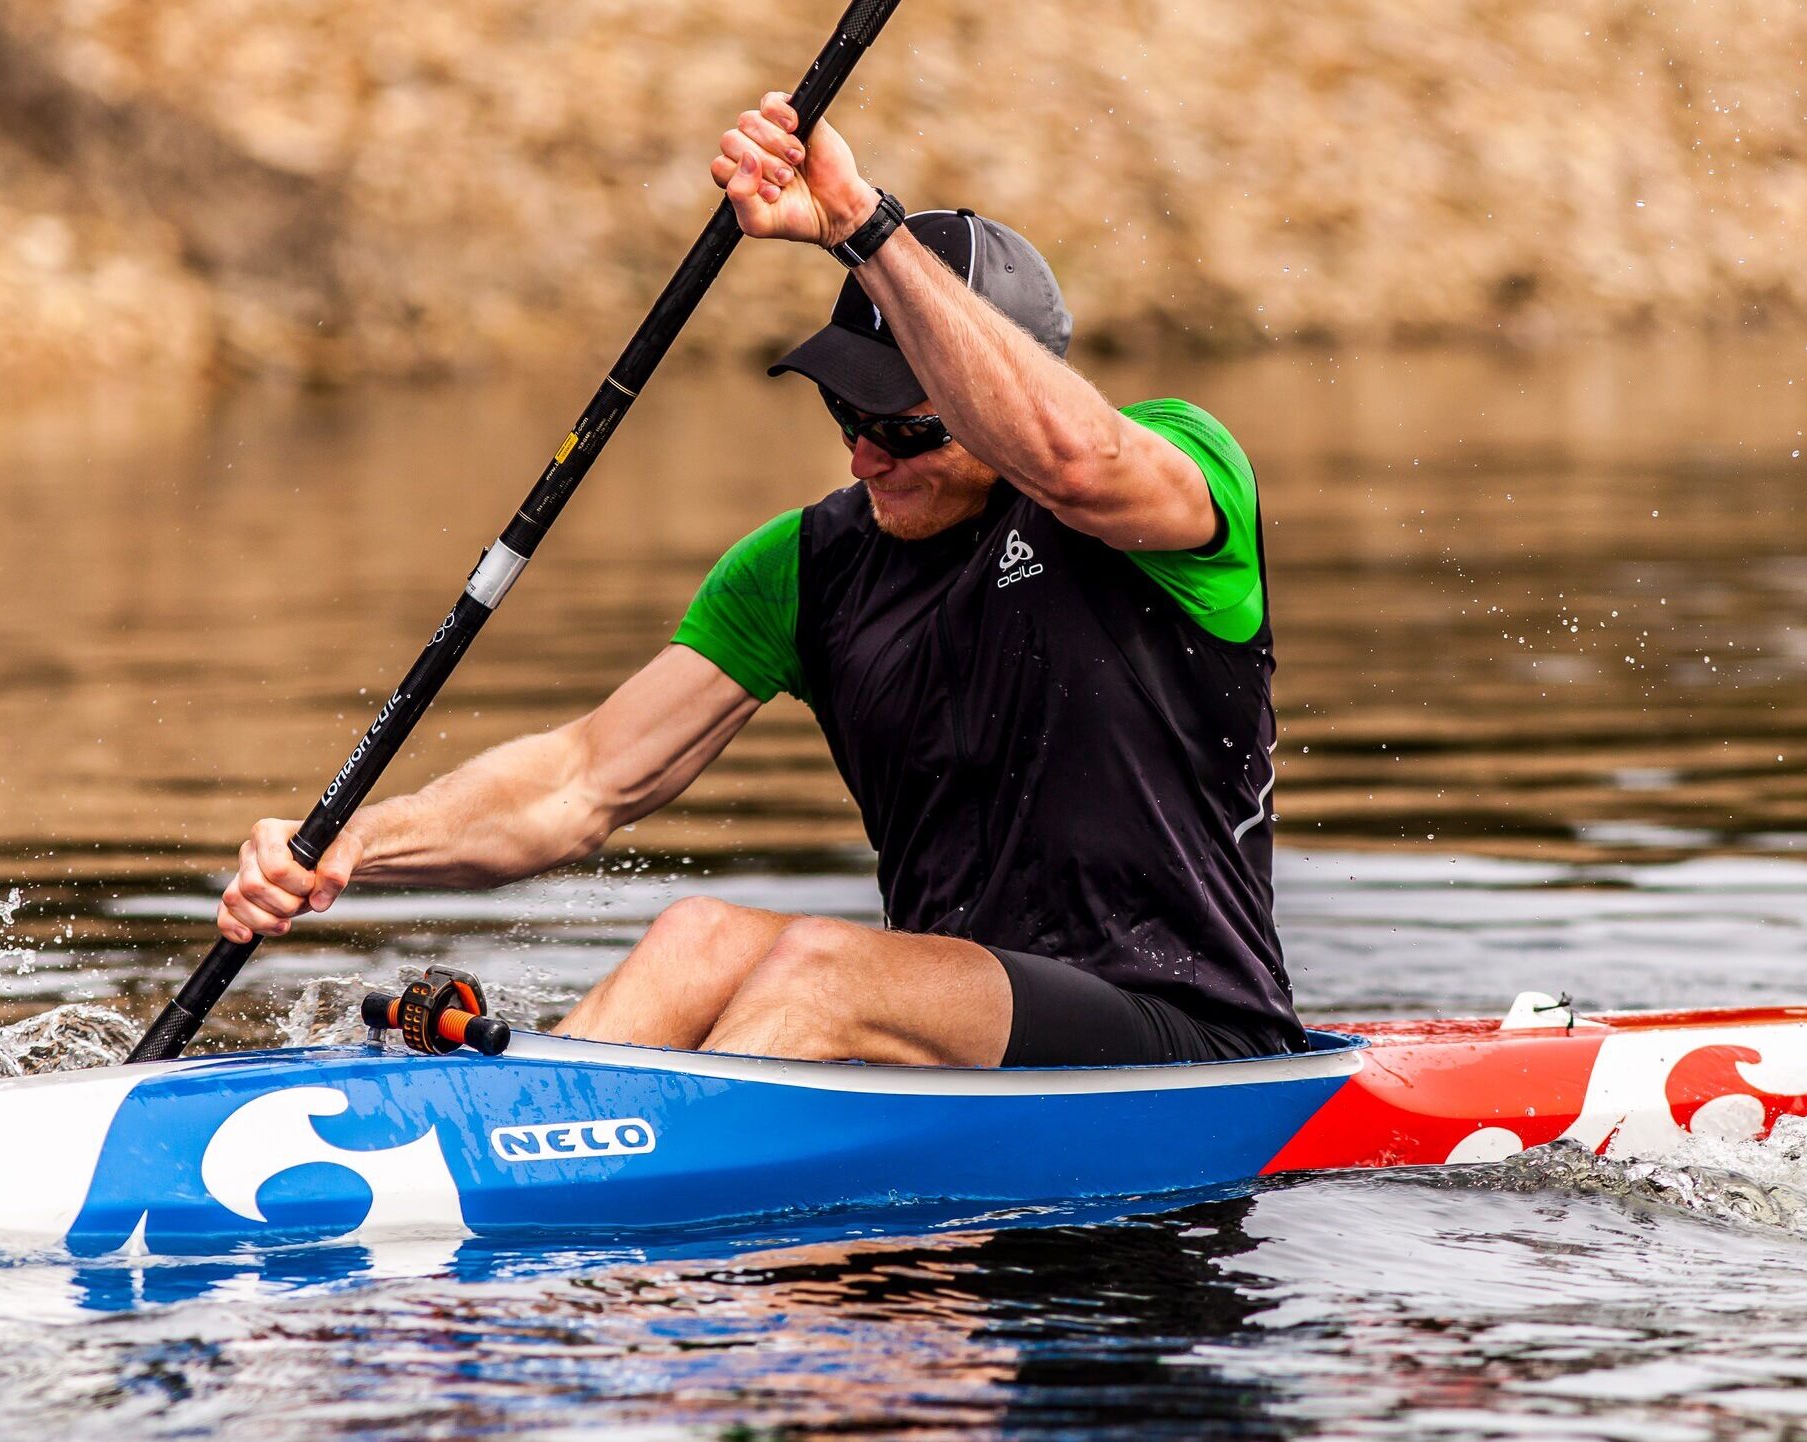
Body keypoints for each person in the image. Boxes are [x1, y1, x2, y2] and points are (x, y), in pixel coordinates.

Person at [216, 92, 1295, 1068]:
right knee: (697, 939)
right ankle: (527, 1147)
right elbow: (581, 778)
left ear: (991, 389)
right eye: (844, 415)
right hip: (948, 1029)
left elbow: (1073, 458)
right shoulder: (808, 564)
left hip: (1183, 1031)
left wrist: (862, 225)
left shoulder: (1168, 480)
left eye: (903, 427)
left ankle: (626, 1210)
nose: (863, 453)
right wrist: (355, 843)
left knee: (822, 967)